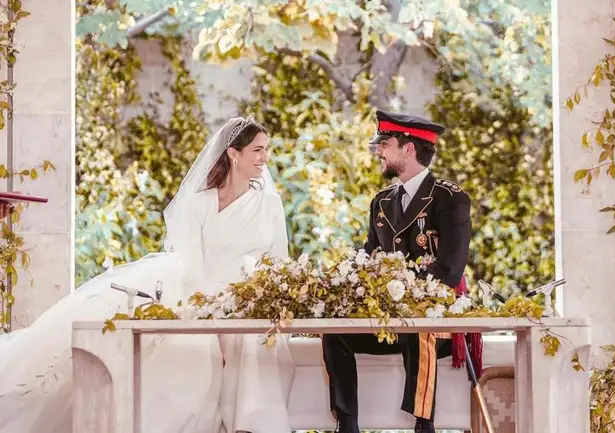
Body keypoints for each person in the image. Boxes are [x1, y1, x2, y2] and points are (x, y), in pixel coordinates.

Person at [0, 116, 295, 433]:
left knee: (248, 341)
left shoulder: (269, 204)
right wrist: (213, 312)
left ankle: (249, 425)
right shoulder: (199, 203)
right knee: (182, 350)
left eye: (266, 149)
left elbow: (278, 261)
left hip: (246, 301)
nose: (265, 157)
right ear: (234, 154)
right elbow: (191, 262)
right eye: (257, 150)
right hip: (196, 294)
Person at [321, 109, 473, 433]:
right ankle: (347, 423)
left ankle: (424, 423)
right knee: (335, 329)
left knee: (419, 326)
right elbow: (370, 255)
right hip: (391, 319)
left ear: (409, 149)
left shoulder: (449, 198)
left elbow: (450, 269)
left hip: (436, 318)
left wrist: (405, 299)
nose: (378, 151)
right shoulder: (382, 201)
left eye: (385, 144)